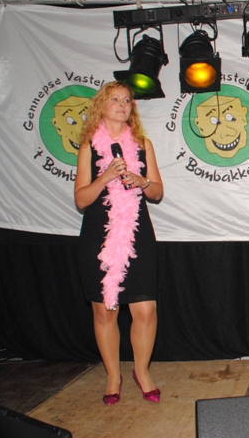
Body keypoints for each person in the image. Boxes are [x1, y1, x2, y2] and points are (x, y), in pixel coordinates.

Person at [74, 81, 164, 404]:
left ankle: (142, 372)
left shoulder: (142, 144)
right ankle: (113, 376)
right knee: (105, 312)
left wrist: (143, 181)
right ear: (102, 105)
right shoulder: (89, 146)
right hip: (98, 236)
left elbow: (157, 193)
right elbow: (81, 199)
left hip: (137, 234)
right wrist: (105, 177)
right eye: (115, 99)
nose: (123, 104)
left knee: (146, 310)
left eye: (127, 100)